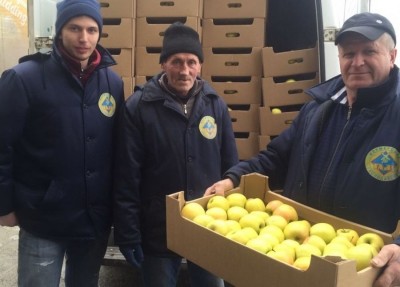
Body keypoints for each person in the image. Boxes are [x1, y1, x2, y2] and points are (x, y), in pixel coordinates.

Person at [205, 12, 400, 287]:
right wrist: (234, 178)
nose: (357, 62)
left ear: (392, 56)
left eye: (369, 51)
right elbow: (275, 158)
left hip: (365, 271)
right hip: (299, 260)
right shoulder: (316, 109)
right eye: (348, 53)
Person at [0, 0, 124, 286]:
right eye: (75, 28)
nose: (84, 38)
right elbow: (2, 147)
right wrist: (4, 205)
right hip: (44, 217)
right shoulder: (23, 79)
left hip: (94, 219)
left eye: (92, 30)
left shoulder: (112, 83)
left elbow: (117, 149)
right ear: (59, 31)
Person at [113, 22, 238, 287]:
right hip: (158, 230)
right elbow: (127, 175)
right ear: (163, 64)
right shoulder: (139, 107)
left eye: (192, 62)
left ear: (200, 65)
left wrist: (232, 220)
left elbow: (230, 165)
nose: (185, 70)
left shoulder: (215, 105)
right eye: (176, 61)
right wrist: (128, 233)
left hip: (208, 226)